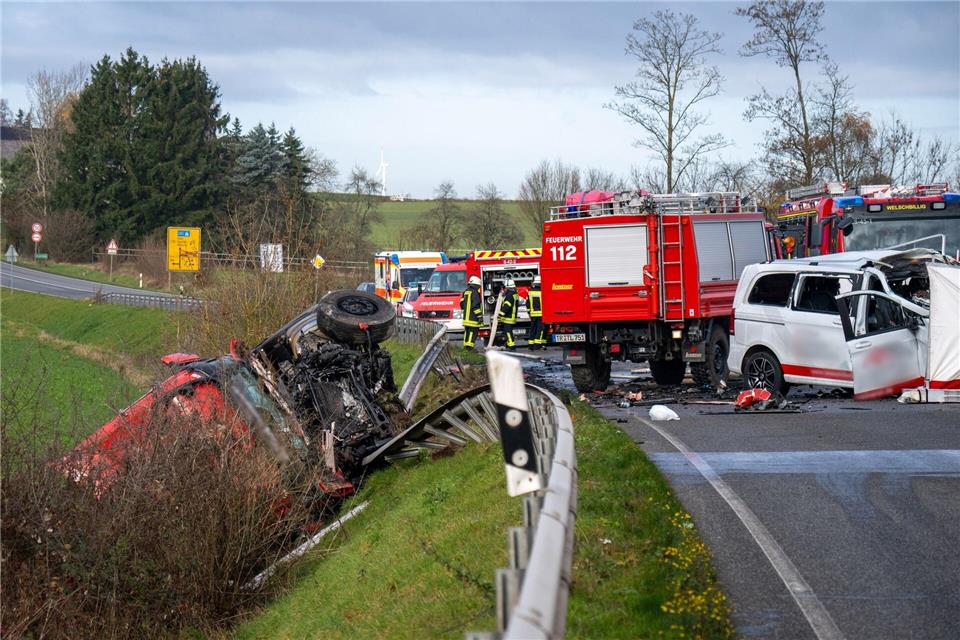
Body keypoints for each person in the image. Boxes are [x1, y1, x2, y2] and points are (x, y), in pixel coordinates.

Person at [459, 275, 483, 350]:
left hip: (466, 317)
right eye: (479, 286)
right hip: (473, 318)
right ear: (476, 285)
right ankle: (469, 348)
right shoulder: (475, 292)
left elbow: (462, 304)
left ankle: (466, 347)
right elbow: (475, 306)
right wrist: (479, 316)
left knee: (467, 332)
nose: (479, 288)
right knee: (473, 332)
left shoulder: (465, 292)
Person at [497, 279, 519, 351]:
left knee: (508, 331)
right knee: (508, 331)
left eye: (504, 288)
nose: (504, 289)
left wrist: (500, 315)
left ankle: (512, 346)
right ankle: (508, 344)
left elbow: (506, 306)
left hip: (508, 317)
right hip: (511, 316)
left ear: (507, 287)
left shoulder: (509, 295)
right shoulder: (514, 294)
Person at [527, 275, 545, 350]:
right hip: (541, 314)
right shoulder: (543, 292)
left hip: (533, 314)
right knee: (539, 329)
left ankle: (530, 345)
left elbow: (527, 303)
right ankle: (537, 345)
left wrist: (529, 312)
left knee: (533, 329)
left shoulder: (530, 292)